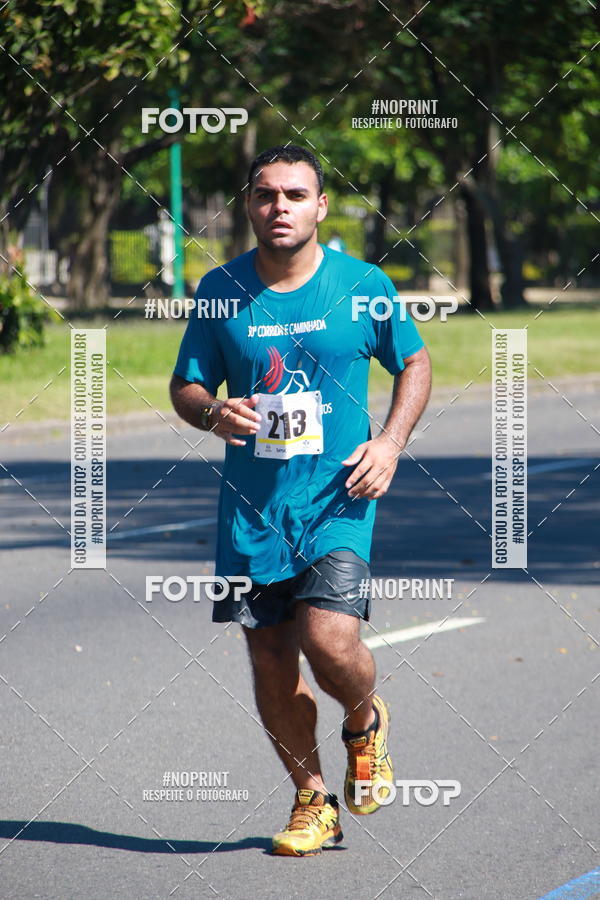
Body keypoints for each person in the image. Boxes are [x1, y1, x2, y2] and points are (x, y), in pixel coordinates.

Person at [170, 144, 431, 856]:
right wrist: (211, 412)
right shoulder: (220, 291)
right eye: (265, 195)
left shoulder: (363, 285)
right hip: (253, 511)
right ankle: (313, 799)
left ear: (320, 206)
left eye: (293, 195)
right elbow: (186, 385)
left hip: (339, 498)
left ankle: (363, 720)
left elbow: (413, 360)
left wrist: (389, 444)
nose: (278, 207)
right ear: (248, 205)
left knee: (327, 640)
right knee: (270, 657)